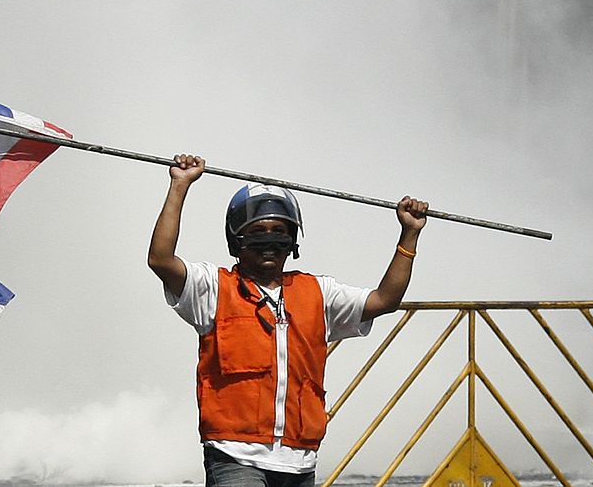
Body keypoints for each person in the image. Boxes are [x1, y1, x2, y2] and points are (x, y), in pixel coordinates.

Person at [148, 154, 429, 487]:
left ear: (293, 240)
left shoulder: (319, 293)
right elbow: (161, 259)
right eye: (258, 232)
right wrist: (180, 185)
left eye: (279, 232)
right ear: (236, 241)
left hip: (299, 461)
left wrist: (409, 235)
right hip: (235, 456)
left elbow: (384, 300)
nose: (270, 241)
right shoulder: (213, 288)